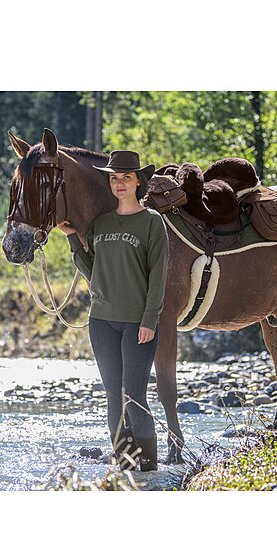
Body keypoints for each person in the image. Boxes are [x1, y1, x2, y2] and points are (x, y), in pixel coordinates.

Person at [58, 150, 169, 472]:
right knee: (113, 397)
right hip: (102, 322)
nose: (119, 184)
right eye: (114, 178)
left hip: (137, 322)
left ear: (138, 181)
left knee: (134, 396)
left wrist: (149, 320)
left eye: (126, 177)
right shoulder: (101, 223)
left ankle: (148, 469)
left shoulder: (151, 222)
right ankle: (124, 465)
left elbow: (158, 275)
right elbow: (94, 273)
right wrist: (74, 242)